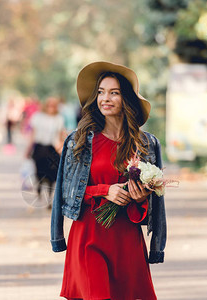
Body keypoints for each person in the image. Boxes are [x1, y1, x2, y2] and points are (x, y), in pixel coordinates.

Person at [51, 61, 166, 300]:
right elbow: (65, 191)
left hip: (126, 239)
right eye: (101, 92)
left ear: (127, 99)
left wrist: (141, 196)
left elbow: (153, 200)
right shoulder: (80, 141)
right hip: (89, 237)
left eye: (114, 93)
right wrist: (104, 191)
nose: (106, 98)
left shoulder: (145, 144)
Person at [25, 97, 65, 205]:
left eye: (53, 105)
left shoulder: (58, 119)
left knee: (52, 173)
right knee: (39, 171)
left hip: (51, 148)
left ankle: (49, 197)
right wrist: (28, 150)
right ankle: (39, 187)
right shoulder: (38, 117)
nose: (51, 108)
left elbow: (60, 136)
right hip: (39, 148)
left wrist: (61, 150)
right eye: (49, 105)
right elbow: (33, 135)